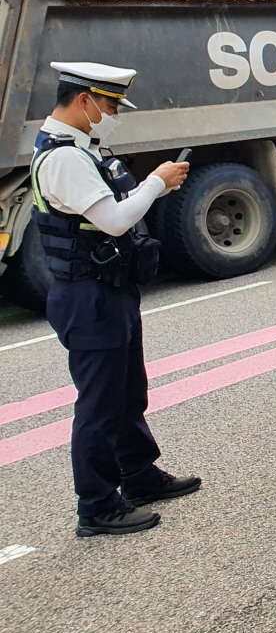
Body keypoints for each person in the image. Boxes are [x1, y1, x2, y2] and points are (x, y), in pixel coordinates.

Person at [31, 62, 199, 537]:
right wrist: (158, 182)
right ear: (83, 100)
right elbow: (115, 220)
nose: (113, 114)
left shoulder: (83, 150)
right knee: (100, 404)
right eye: (109, 105)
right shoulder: (63, 157)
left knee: (127, 393)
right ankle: (98, 505)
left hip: (109, 288)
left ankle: (139, 476)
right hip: (87, 296)